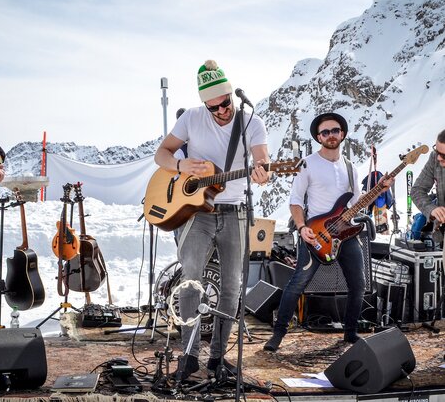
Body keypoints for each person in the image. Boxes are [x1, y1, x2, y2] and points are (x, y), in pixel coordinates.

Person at [154, 60, 269, 380]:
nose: (221, 110)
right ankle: (188, 354)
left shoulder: (251, 122)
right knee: (190, 278)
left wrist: (262, 171)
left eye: (225, 102)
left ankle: (218, 358)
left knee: (232, 287)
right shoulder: (191, 119)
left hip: (235, 212)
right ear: (204, 103)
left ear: (232, 94)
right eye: (213, 106)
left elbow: (263, 160)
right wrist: (183, 167)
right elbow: (161, 154)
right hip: (198, 214)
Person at [264, 112, 393, 351]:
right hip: (315, 234)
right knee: (297, 284)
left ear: (342, 134)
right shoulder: (308, 164)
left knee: (359, 284)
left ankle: (350, 332)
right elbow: (295, 200)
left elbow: (356, 203)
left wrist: (379, 189)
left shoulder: (351, 167)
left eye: (335, 131)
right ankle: (278, 334)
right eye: (325, 132)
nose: (331, 135)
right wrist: (302, 228)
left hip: (346, 234)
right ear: (318, 137)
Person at [411, 129, 445, 244]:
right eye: (437, 151)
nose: (439, 158)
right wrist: (432, 209)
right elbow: (417, 190)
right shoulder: (435, 158)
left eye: (443, 155)